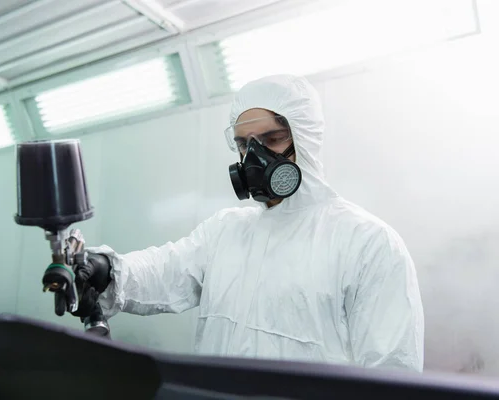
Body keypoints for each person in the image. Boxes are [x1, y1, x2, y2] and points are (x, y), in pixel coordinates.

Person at [80, 74, 424, 371]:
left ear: (306, 139)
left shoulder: (366, 242)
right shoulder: (227, 230)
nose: (254, 159)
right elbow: (167, 270)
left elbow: (391, 374)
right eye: (245, 144)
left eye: (272, 139)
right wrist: (107, 270)